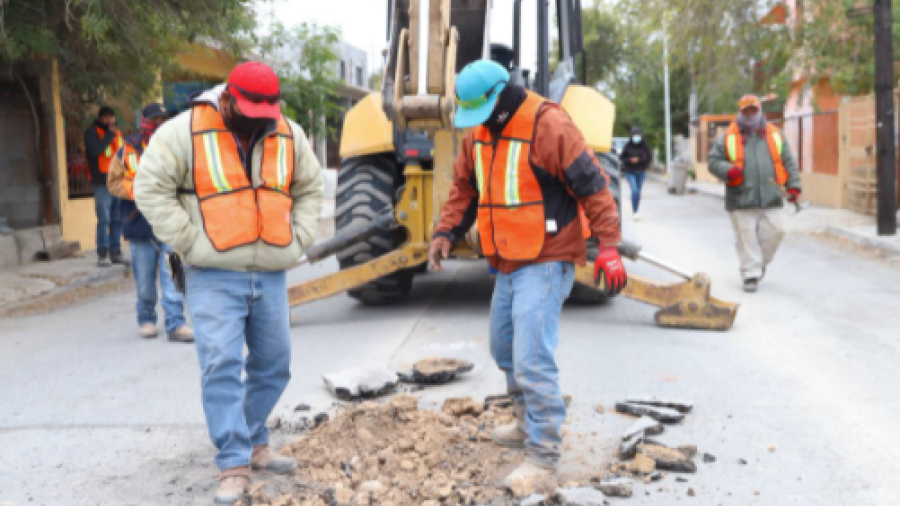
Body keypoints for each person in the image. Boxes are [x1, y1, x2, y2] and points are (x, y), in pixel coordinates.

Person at [428, 60, 626, 496]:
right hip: (506, 260)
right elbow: (464, 186)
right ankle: (524, 421)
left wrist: (609, 246)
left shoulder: (548, 123)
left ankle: (543, 453)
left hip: (547, 257)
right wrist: (445, 232)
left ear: (500, 96)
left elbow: (593, 185)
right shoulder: (479, 131)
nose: (475, 123)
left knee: (532, 359)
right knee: (504, 348)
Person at [134, 62, 324, 504]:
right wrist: (188, 241)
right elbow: (149, 187)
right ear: (228, 98)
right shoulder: (183, 132)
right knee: (221, 366)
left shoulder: (288, 132)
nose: (260, 119)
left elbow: (310, 187)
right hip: (213, 272)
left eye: (267, 111)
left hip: (270, 270)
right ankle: (234, 461)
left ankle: (253, 439)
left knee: (274, 364)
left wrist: (299, 238)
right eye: (251, 110)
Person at [107, 103, 194, 343]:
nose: (158, 125)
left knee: (173, 276)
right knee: (145, 281)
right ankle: (146, 319)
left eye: (162, 120)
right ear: (143, 121)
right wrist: (138, 191)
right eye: (154, 120)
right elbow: (113, 182)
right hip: (140, 224)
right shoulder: (127, 149)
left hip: (171, 222)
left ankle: (176, 324)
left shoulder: (176, 146)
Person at [708, 94, 801, 293]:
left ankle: (759, 263)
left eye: (753, 110)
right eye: (745, 111)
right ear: (740, 112)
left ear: (759, 110)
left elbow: (789, 162)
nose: (750, 114)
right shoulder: (727, 137)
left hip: (773, 195)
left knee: (777, 231)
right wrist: (728, 170)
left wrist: (794, 186)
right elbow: (713, 161)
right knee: (747, 238)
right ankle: (750, 274)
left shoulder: (776, 134)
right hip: (741, 197)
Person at [84, 106, 125, 267]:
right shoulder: (92, 132)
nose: (110, 120)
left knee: (117, 219)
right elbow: (94, 151)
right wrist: (109, 136)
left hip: (118, 182)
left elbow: (123, 155)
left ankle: (116, 252)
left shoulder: (118, 133)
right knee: (104, 219)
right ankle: (102, 254)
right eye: (106, 117)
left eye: (112, 117)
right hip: (102, 182)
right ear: (100, 118)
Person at [619, 126, 652, 220]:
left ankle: (636, 211)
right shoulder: (627, 146)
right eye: (635, 135)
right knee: (634, 190)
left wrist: (639, 160)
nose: (636, 137)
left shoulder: (644, 147)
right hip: (630, 171)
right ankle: (634, 212)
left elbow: (648, 158)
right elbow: (622, 158)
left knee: (638, 193)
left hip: (641, 172)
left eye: (638, 135)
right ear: (632, 136)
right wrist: (630, 160)